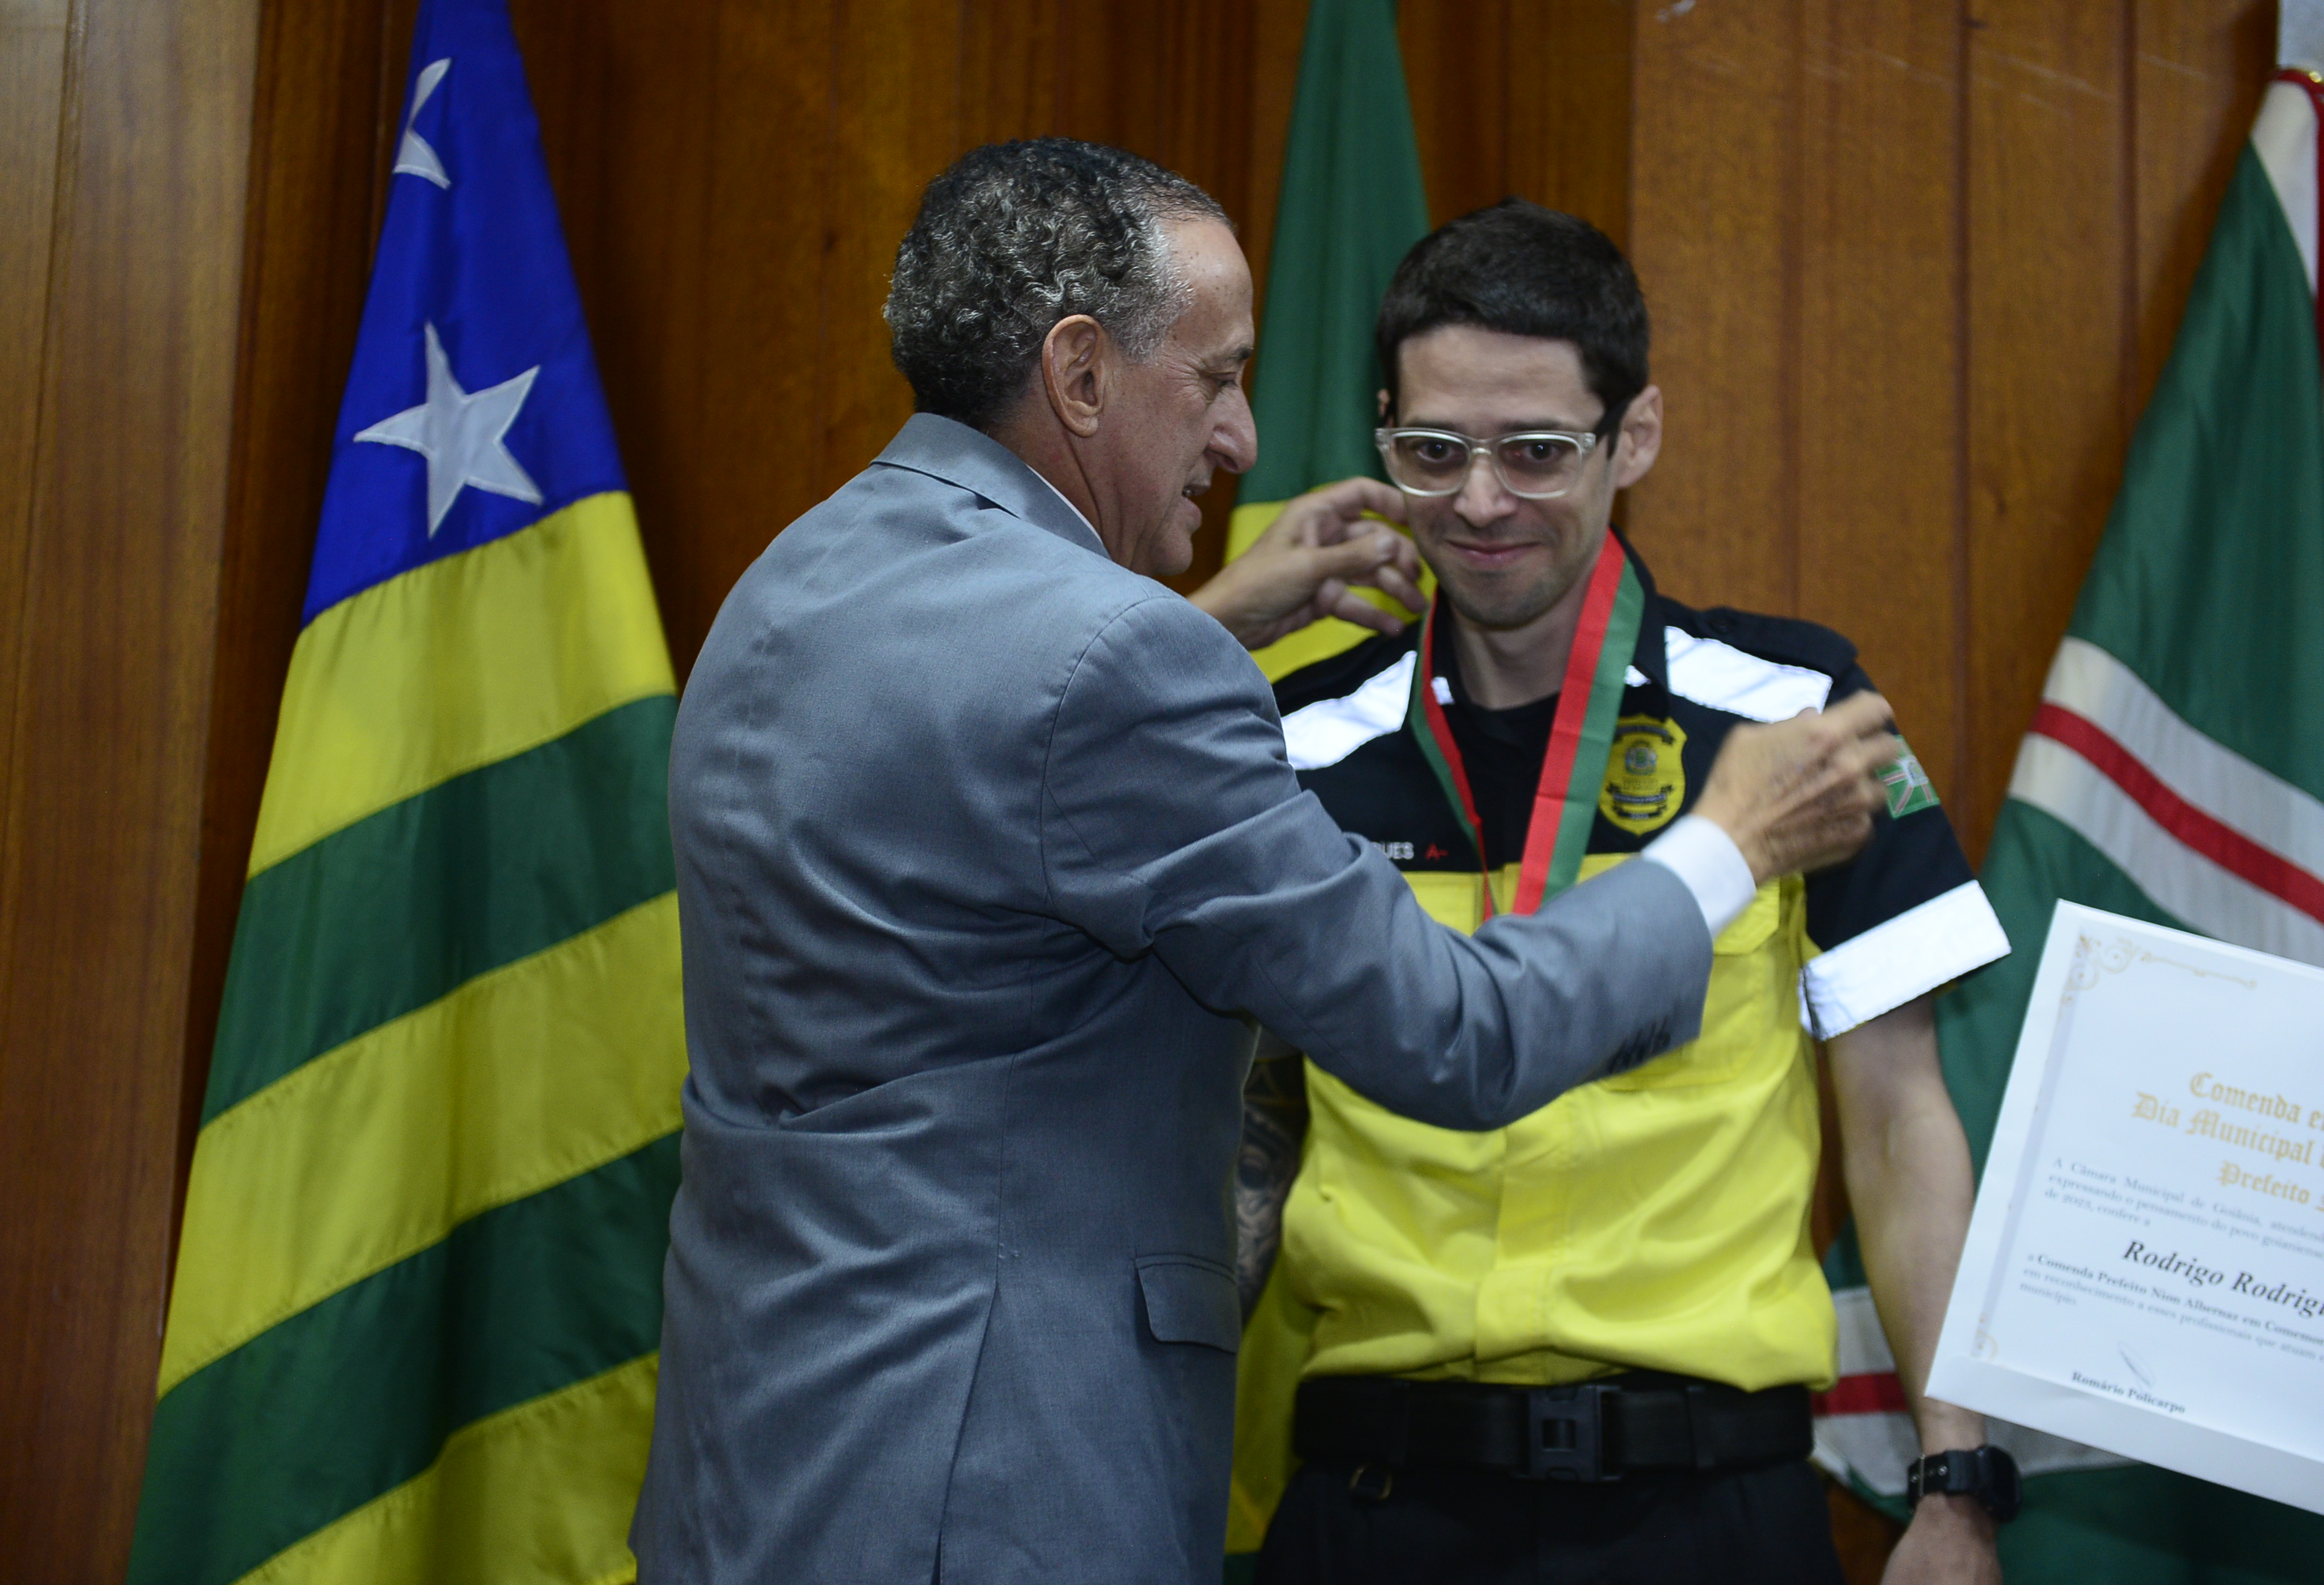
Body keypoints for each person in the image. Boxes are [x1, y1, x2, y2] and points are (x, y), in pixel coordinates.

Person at [631, 141, 1902, 1585]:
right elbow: (1457, 1035)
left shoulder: (790, 585)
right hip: (993, 1478)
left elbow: (983, 754)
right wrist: (1728, 845)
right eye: (1218, 376)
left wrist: (1211, 619)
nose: (1242, 438)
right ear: (1081, 374)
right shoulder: (1118, 665)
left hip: (762, 1461)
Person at [1229, 200, 2014, 1585]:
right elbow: (1228, 1126)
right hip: (1376, 1501)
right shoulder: (1296, 746)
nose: (1481, 502)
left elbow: (1899, 1125)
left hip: (1709, 1507)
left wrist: (1956, 1488)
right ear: (1383, 435)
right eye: (1434, 451)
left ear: (1632, 436)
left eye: (1537, 451)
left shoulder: (1798, 718)